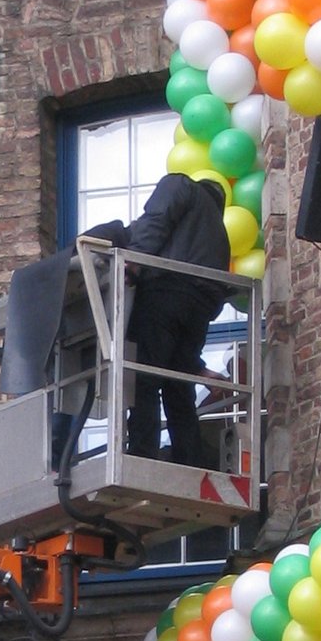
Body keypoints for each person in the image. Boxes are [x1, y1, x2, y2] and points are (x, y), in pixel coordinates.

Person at [87, 173, 230, 467]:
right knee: (179, 387)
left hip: (165, 289)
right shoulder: (218, 232)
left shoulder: (181, 186)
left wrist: (133, 262)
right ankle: (189, 461)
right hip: (200, 306)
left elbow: (157, 218)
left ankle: (142, 454)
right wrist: (199, 367)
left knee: (144, 376)